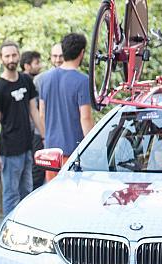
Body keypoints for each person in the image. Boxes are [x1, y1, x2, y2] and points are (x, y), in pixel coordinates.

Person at [0, 41, 45, 217]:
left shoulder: (26, 80)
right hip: (9, 151)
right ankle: (8, 231)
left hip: (26, 146)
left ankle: (25, 228)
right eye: (7, 56)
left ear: (18, 56)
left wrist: (45, 136)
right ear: (1, 59)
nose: (11, 59)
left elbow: (34, 111)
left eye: (14, 55)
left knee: (27, 191)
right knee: (11, 194)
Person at [39, 33, 94, 182]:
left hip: (51, 152)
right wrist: (93, 147)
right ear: (82, 53)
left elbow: (42, 114)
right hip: (73, 151)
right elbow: (86, 118)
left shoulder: (45, 79)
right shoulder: (83, 81)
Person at [20, 50, 46, 189]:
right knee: (35, 169)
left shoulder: (37, 80)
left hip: (35, 131)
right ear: (26, 66)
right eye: (37, 63)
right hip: (30, 132)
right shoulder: (24, 83)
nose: (40, 66)